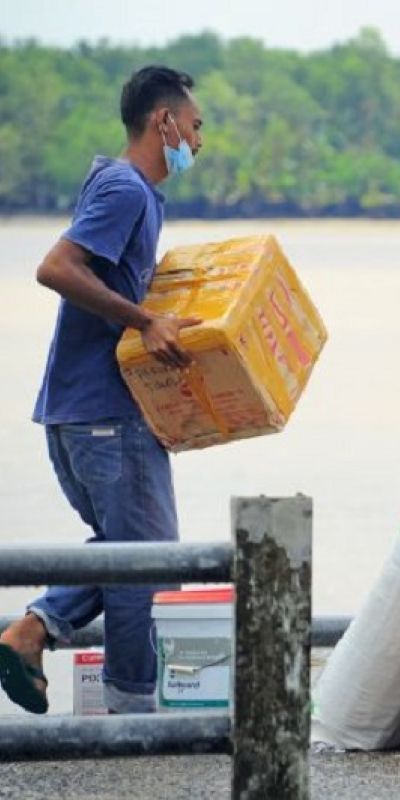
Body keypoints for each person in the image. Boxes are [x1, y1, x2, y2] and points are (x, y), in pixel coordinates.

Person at [0, 66, 203, 715]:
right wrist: (146, 320)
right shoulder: (125, 187)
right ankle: (131, 712)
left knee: (127, 557)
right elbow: (56, 268)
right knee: (147, 569)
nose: (198, 144)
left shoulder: (128, 190)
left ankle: (35, 629)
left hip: (80, 413)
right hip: (105, 417)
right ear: (162, 122)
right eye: (194, 128)